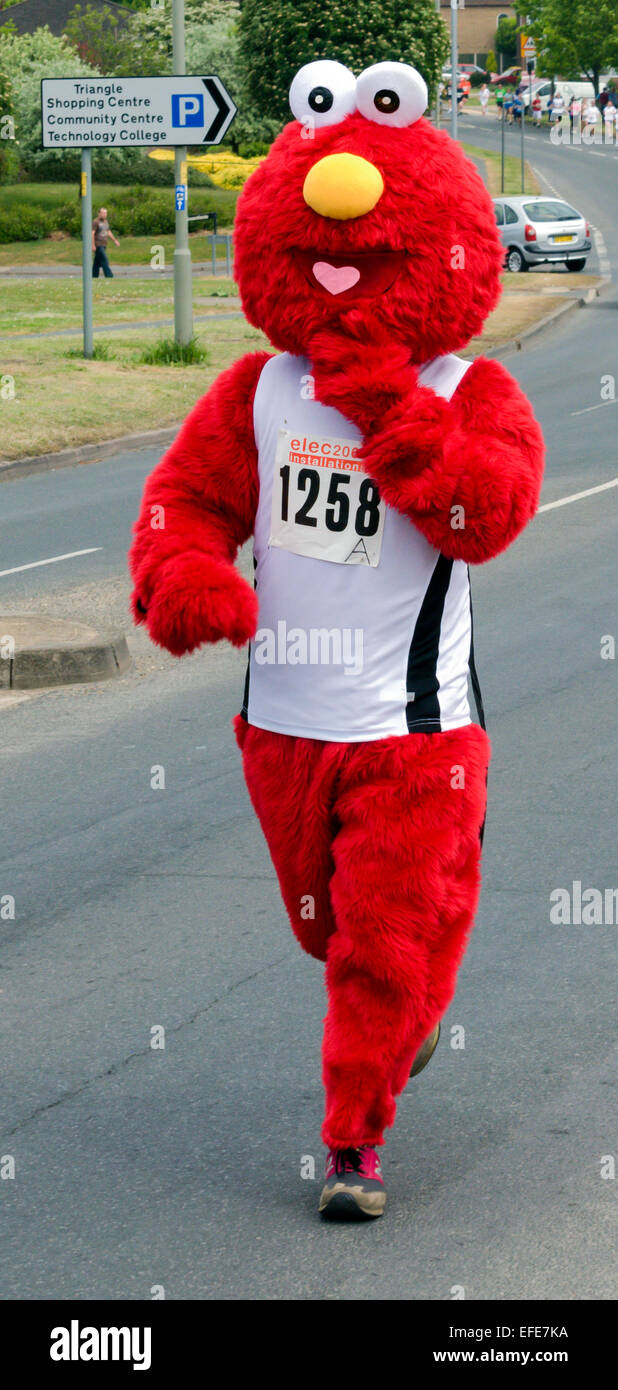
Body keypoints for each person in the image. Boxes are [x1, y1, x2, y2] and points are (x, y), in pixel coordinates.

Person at [130, 57, 544, 1222]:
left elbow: (489, 515)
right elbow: (185, 502)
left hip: (416, 734)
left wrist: (390, 405)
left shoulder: (471, 390)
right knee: (325, 930)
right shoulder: (259, 395)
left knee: (383, 940)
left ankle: (352, 1145)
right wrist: (184, 572)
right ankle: (400, 1019)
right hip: (283, 727)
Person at [92, 206, 119, 279]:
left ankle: (94, 276)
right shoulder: (96, 222)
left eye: (105, 213)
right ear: (99, 213)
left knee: (97, 262)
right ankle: (109, 276)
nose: (104, 214)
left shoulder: (105, 222)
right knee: (104, 260)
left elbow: (108, 232)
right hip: (98, 244)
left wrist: (115, 240)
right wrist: (93, 245)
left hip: (104, 244)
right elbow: (92, 233)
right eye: (103, 213)